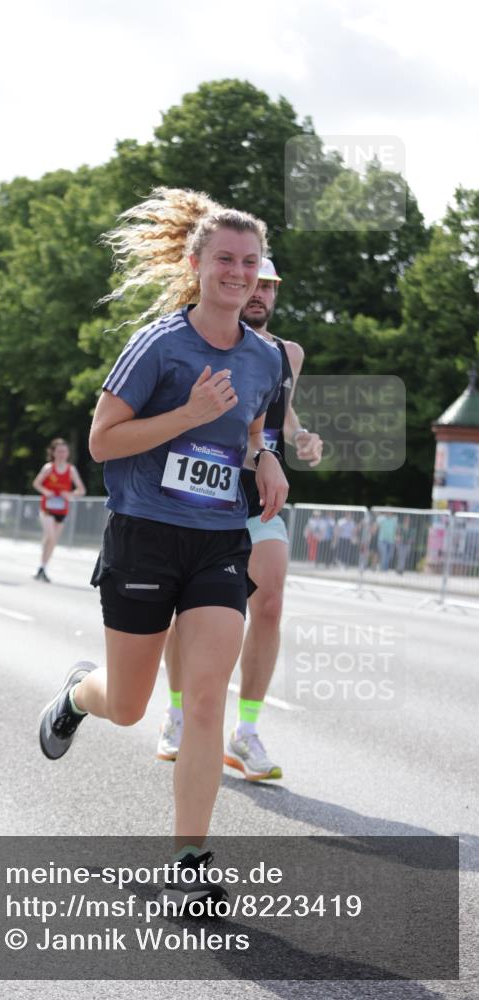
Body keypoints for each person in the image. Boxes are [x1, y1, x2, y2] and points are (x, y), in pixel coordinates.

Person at [38, 187, 289, 909]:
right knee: (127, 704)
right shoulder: (158, 345)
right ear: (195, 263)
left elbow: (250, 430)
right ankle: (76, 696)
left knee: (206, 699)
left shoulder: (264, 358)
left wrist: (262, 457)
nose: (239, 273)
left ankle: (189, 858)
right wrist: (185, 414)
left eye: (250, 262)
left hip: (217, 540)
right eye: (225, 261)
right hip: (144, 535)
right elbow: (102, 441)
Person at [157, 259, 324, 780]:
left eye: (271, 286)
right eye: (257, 283)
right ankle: (178, 714)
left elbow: (279, 412)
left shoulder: (285, 354)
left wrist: (300, 438)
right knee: (183, 611)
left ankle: (245, 732)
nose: (261, 294)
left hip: (256, 491)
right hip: (198, 491)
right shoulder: (194, 339)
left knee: (270, 603)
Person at [32, 438, 86, 582]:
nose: (62, 454)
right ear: (53, 453)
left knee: (53, 540)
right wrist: (45, 491)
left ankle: (42, 567)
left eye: (64, 451)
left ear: (68, 453)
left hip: (62, 510)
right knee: (50, 535)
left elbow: (81, 490)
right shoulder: (48, 468)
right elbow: (36, 483)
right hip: (47, 508)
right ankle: (42, 567)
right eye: (59, 451)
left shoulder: (71, 470)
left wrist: (70, 494)